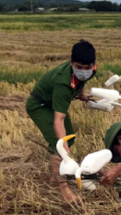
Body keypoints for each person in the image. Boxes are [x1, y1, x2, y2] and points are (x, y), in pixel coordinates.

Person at [26, 40, 97, 203]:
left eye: (87, 67)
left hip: (53, 102)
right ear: (71, 62)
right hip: (40, 105)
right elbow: (59, 119)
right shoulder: (62, 83)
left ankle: (55, 176)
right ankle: (63, 189)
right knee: (59, 145)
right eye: (79, 67)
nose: (84, 71)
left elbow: (81, 82)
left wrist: (82, 95)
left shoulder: (91, 70)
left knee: (69, 138)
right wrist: (61, 143)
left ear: (93, 64)